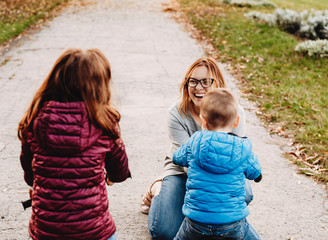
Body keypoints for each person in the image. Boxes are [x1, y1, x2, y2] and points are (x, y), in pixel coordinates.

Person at [18, 48, 131, 240]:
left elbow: (30, 177)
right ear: (100, 87)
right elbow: (120, 172)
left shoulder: (35, 119)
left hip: (46, 232)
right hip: (94, 232)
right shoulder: (104, 123)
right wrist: (109, 177)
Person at [142, 57, 253, 240]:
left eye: (205, 81)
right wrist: (207, 190)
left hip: (221, 172)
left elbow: (237, 156)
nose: (198, 87)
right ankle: (158, 186)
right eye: (192, 81)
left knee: (245, 194)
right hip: (182, 170)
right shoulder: (176, 113)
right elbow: (185, 162)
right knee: (164, 232)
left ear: (217, 83)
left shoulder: (235, 112)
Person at [173, 88, 262, 240]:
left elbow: (177, 158)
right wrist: (258, 175)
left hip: (195, 221)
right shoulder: (243, 148)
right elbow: (255, 172)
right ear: (236, 121)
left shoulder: (195, 142)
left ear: (203, 120)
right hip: (231, 223)